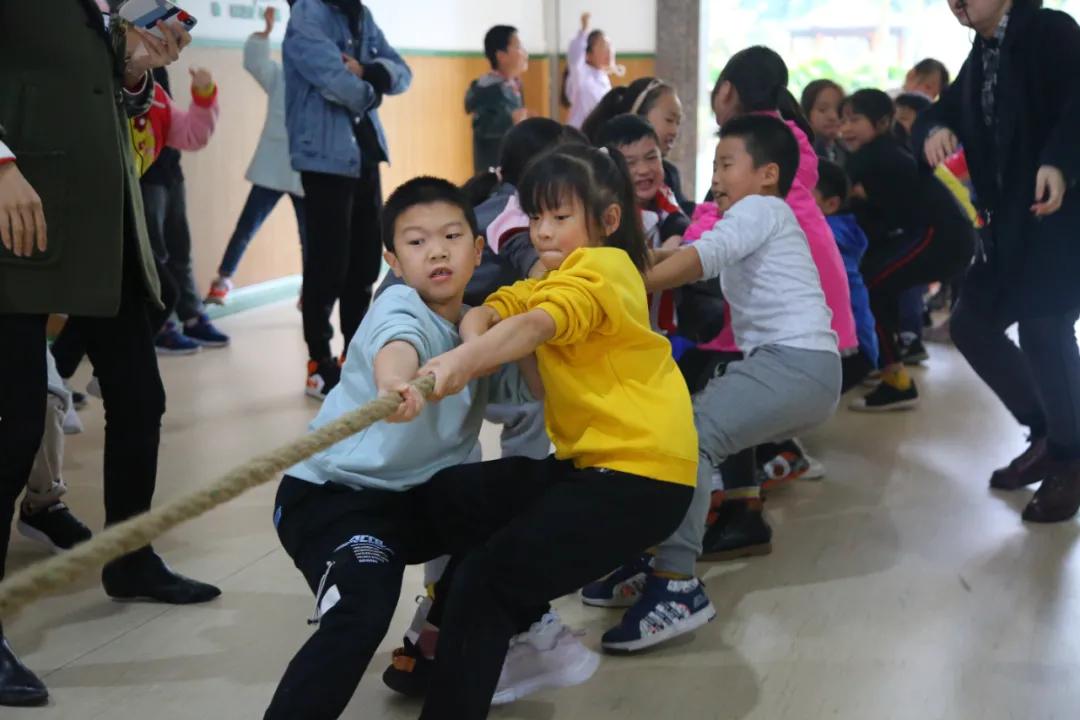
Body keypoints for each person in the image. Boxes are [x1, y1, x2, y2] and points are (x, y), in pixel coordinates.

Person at [404, 144, 696, 719]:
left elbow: (537, 321)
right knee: (457, 496)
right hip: (594, 470)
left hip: (641, 478)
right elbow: (497, 308)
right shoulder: (553, 273)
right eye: (535, 217)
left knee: (487, 580)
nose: (542, 232)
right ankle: (513, 627)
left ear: (608, 221)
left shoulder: (605, 270)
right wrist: (477, 330)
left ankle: (510, 644)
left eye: (560, 218)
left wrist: (466, 361)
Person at [264, 177, 553, 719]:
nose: (437, 251)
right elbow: (396, 345)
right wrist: (395, 385)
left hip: (417, 502)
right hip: (334, 500)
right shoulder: (398, 306)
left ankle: (441, 638)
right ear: (393, 261)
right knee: (362, 610)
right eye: (416, 242)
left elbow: (536, 393)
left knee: (532, 491)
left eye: (450, 236)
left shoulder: (477, 330)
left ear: (478, 248)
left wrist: (505, 330)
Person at [0, 8, 219, 706]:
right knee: (11, 429)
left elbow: (93, 96)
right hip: (19, 213)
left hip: (102, 221)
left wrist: (133, 72)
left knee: (140, 398)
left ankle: (130, 557)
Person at [590, 115, 840, 654]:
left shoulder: (762, 209)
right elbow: (679, 255)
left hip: (796, 364)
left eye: (727, 164)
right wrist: (610, 266)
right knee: (673, 430)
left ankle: (676, 582)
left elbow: (699, 260)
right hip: (789, 364)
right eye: (714, 165)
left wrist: (620, 284)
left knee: (691, 437)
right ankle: (659, 555)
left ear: (768, 174)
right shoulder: (755, 216)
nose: (717, 177)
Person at [914, 0, 1080, 522]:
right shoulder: (985, 51)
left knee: (1044, 329)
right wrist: (932, 131)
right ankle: (1052, 433)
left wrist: (1059, 162)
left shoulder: (1049, 30)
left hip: (1060, 218)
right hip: (1009, 226)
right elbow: (943, 112)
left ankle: (1071, 460)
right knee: (971, 322)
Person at [284, 0, 412, 400]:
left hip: (364, 157)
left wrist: (367, 71)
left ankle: (353, 356)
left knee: (362, 264)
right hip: (324, 159)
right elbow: (335, 81)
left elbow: (402, 73)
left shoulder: (360, 15)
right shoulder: (308, 13)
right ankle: (318, 363)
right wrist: (372, 87)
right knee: (327, 264)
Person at [840, 89, 976, 412]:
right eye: (843, 119)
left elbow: (859, 205)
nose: (845, 127)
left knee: (871, 284)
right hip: (940, 234)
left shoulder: (873, 156)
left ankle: (894, 380)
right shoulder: (886, 150)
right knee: (874, 282)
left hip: (940, 236)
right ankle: (886, 367)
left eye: (855, 120)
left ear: (883, 122)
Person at [207, 5, 307, 306]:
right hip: (272, 168)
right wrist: (264, 33)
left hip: (307, 172)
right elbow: (254, 61)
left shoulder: (325, 82)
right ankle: (222, 281)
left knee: (310, 238)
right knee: (247, 225)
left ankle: (311, 290)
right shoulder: (279, 76)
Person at [141, 66, 231, 354]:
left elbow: (186, 128)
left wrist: (204, 95)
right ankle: (160, 324)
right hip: (143, 176)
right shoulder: (124, 50)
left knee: (180, 250)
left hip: (169, 169)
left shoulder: (157, 67)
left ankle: (190, 316)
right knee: (153, 256)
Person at [814, 158, 880, 390]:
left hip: (849, 349)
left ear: (831, 204)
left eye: (799, 195)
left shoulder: (824, 236)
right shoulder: (839, 229)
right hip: (858, 346)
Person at [581, 77, 692, 212]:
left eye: (678, 122)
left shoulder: (668, 175)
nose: (675, 131)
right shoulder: (600, 191)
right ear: (638, 117)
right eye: (669, 120)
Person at [465, 25, 529, 175]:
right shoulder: (487, 88)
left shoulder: (514, 85)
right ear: (501, 55)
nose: (525, 53)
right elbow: (482, 126)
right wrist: (509, 119)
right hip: (493, 173)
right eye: (519, 47)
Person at [566, 12, 614, 128]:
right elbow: (575, 56)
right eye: (603, 47)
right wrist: (584, 30)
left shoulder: (603, 77)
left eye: (609, 47)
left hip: (598, 134)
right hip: (579, 135)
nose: (608, 52)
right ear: (588, 54)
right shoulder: (581, 74)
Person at [801, 78, 848, 165]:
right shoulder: (800, 152)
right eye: (822, 109)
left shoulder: (847, 150)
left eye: (838, 109)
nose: (833, 116)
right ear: (807, 113)